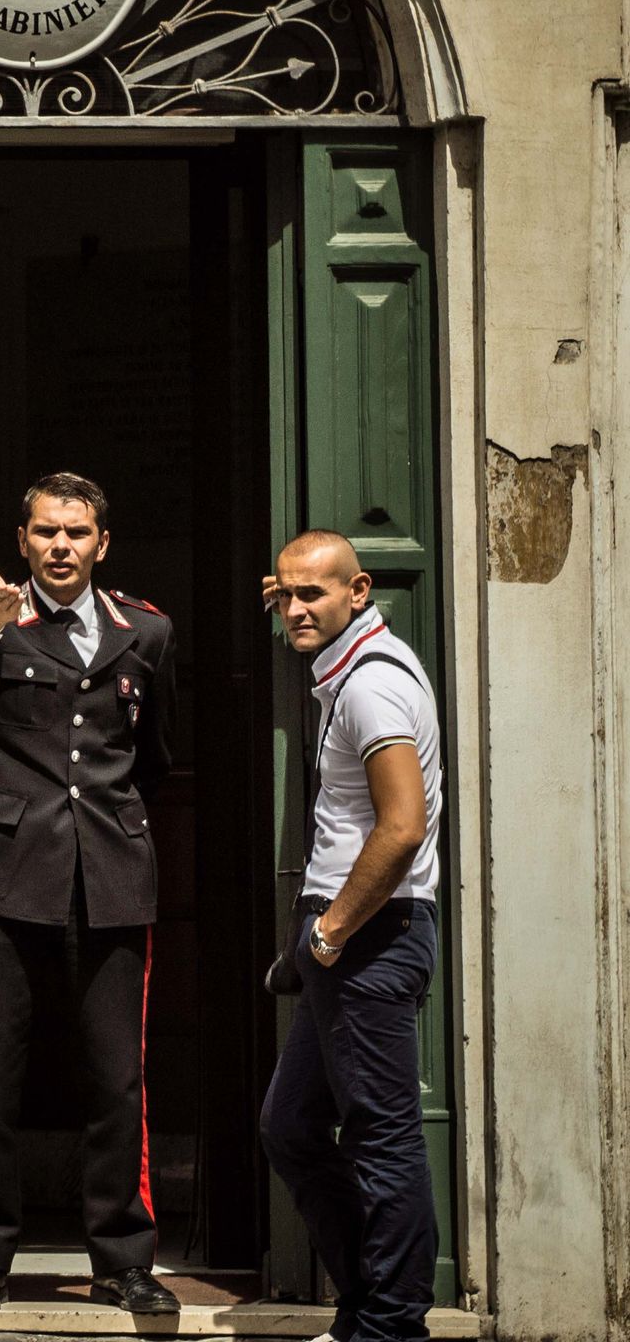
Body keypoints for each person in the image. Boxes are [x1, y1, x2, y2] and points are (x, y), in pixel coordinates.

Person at [0, 471, 179, 1316]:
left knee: (117, 1082)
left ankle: (124, 1262)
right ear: (22, 539)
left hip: (109, 876)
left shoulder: (145, 631)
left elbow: (154, 756)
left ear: (102, 544)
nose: (59, 547)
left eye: (75, 533)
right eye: (44, 532)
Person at [259, 529, 441, 1342]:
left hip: (369, 936)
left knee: (382, 1137)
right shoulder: (349, 666)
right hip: (350, 941)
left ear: (360, 592)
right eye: (286, 595)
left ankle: (393, 1327)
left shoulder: (371, 686)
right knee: (290, 1126)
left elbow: (402, 828)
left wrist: (329, 934)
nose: (296, 609)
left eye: (315, 594)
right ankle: (366, 1305)